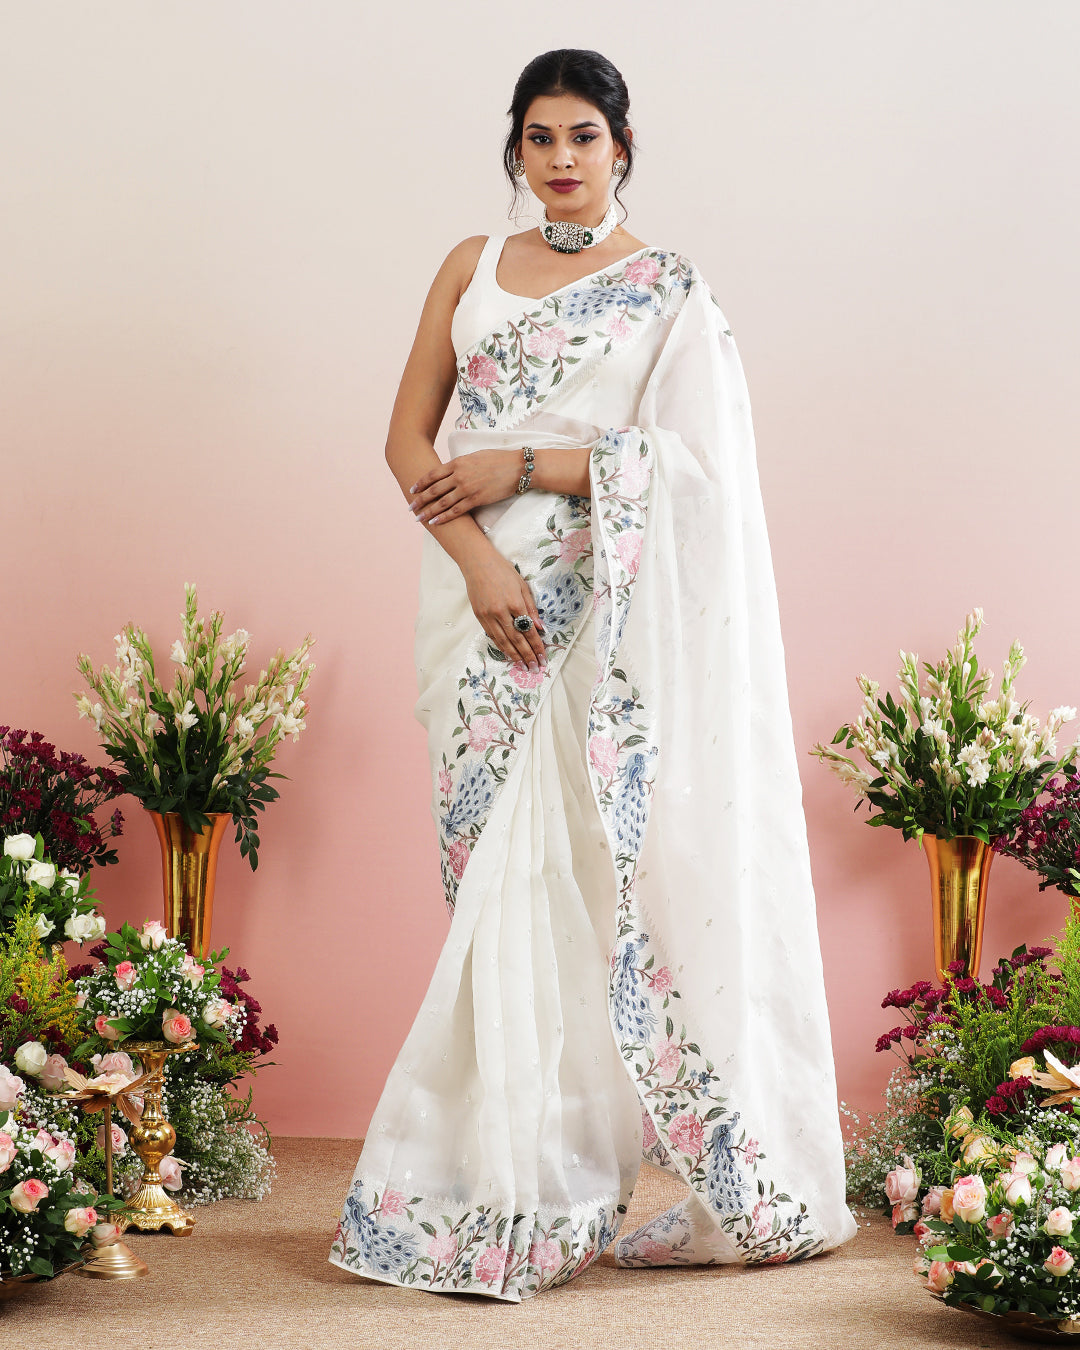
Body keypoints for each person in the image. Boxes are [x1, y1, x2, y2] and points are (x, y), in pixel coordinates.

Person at [330, 47, 857, 1302]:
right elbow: (408, 437)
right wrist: (475, 562)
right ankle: (484, 1170)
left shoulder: (669, 290)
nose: (560, 159)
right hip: (482, 603)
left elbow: (697, 472)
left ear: (623, 147)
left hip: (601, 606)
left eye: (583, 136)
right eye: (538, 138)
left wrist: (529, 469)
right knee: (494, 882)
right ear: (512, 151)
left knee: (564, 877)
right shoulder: (468, 265)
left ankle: (541, 1177)